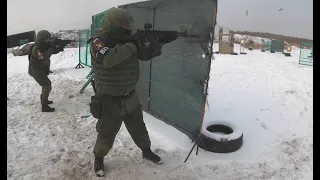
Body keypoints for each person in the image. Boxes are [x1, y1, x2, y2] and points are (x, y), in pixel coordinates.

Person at [89, 7, 163, 177]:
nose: (128, 28)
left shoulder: (128, 42)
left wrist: (155, 45)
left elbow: (144, 56)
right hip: (109, 100)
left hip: (130, 97)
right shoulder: (98, 42)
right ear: (114, 24)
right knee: (106, 134)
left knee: (139, 129)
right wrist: (132, 45)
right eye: (124, 24)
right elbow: (107, 59)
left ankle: (146, 150)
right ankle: (99, 158)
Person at [28, 30, 56, 112]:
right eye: (47, 39)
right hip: (36, 71)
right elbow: (42, 57)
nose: (48, 41)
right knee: (47, 85)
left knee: (46, 85)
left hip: (40, 69)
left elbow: (46, 52)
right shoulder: (36, 48)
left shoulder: (41, 46)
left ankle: (44, 99)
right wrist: (51, 50)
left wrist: (55, 48)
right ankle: (44, 106)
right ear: (42, 39)